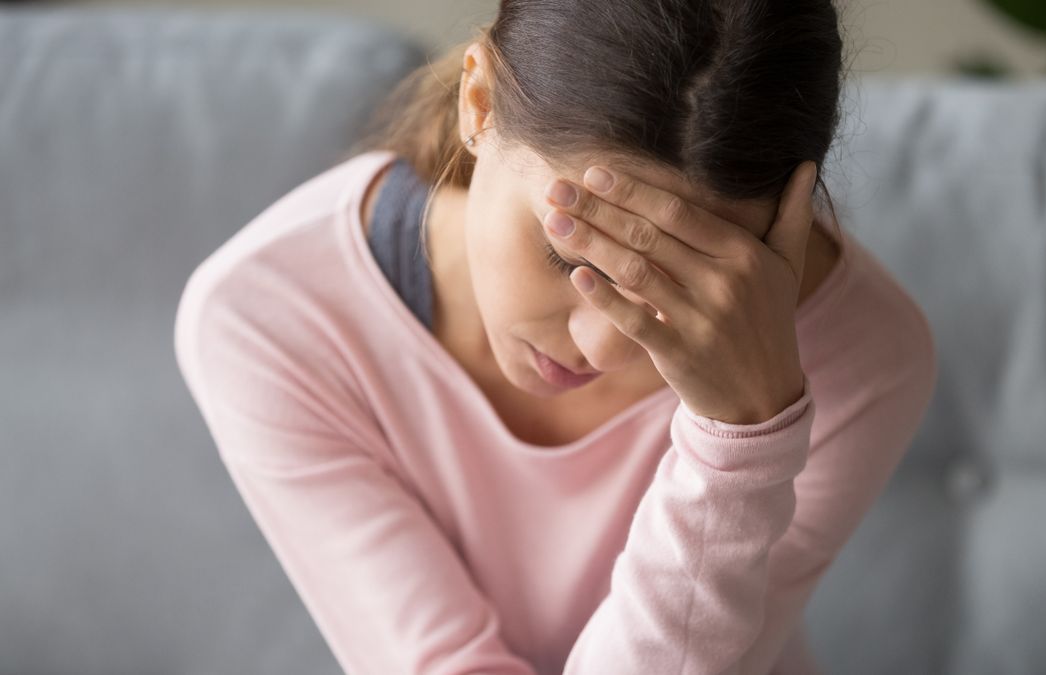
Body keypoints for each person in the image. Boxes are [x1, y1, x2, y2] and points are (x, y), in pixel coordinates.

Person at [174, 1, 939, 673]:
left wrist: (742, 439)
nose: (604, 346)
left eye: (684, 284)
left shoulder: (863, 357)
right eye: (565, 254)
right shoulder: (270, 313)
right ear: (479, 101)